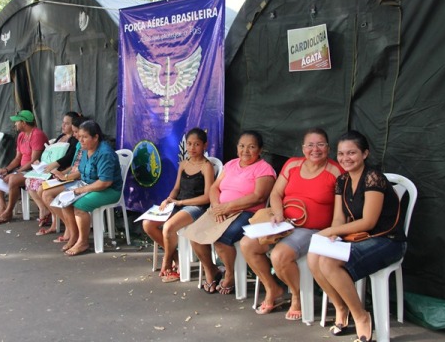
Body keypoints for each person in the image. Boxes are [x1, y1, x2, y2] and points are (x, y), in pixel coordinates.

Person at [308, 131, 406, 341]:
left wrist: (332, 231)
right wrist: (333, 234)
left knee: (329, 261)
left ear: (365, 154)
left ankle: (361, 316)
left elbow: (368, 222)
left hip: (386, 240)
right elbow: (338, 219)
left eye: (352, 152)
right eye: (341, 154)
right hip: (357, 238)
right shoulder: (342, 180)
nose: (345, 158)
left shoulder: (373, 177)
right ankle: (341, 307)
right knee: (314, 256)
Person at [240, 128, 344, 320]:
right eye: (310, 145)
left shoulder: (336, 171)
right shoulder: (292, 164)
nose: (315, 149)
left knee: (279, 256)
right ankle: (273, 288)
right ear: (303, 148)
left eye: (320, 144)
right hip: (284, 223)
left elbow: (342, 209)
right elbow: (276, 194)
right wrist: (278, 213)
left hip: (313, 229)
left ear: (328, 148)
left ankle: (296, 296)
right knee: (247, 245)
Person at [188, 130, 276, 294]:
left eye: (251, 147)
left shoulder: (264, 169)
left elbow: (258, 197)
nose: (246, 151)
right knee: (195, 236)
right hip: (221, 209)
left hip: (247, 213)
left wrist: (227, 207)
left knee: (222, 239)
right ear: (237, 148)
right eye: (242, 146)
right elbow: (214, 188)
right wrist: (216, 206)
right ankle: (211, 270)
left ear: (260, 150)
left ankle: (229, 274)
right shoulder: (230, 164)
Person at [142, 128, 215, 282]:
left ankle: (167, 262)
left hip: (196, 207)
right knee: (147, 224)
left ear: (205, 145)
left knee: (168, 227)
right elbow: (176, 188)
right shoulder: (183, 164)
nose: (192, 148)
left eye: (197, 144)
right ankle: (175, 256)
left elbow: (207, 197)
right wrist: (168, 199)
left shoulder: (206, 166)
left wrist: (181, 202)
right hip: (178, 204)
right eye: (189, 144)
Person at [57, 120, 123, 256]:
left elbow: (104, 182)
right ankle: (74, 237)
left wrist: (81, 190)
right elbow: (82, 171)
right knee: (65, 200)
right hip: (87, 184)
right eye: (79, 136)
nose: (80, 140)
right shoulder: (85, 149)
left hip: (109, 190)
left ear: (96, 137)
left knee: (79, 206)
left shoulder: (104, 153)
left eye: (85, 137)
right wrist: (66, 178)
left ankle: (83, 242)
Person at [0, 110, 49, 225]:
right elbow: (18, 158)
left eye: (17, 122)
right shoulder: (21, 136)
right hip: (22, 169)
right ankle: (1, 207)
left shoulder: (37, 135)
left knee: (12, 179)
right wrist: (6, 169)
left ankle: (8, 212)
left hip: (33, 170)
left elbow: (33, 161)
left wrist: (17, 172)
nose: (15, 124)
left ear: (23, 122)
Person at [31, 113, 83, 236]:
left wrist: (64, 175)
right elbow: (74, 166)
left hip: (79, 181)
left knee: (47, 193)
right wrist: (61, 174)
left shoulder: (89, 147)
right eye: (75, 133)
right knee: (41, 189)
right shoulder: (80, 144)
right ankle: (60, 224)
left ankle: (70, 229)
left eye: (77, 133)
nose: (76, 137)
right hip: (69, 175)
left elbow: (82, 170)